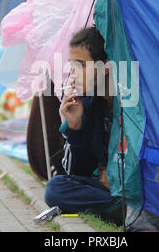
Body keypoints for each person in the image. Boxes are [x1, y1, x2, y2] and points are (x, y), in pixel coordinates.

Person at [44, 26, 121, 222]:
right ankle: (119, 208)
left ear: (105, 68)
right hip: (107, 189)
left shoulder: (129, 105)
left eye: (80, 66)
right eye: (71, 66)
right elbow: (76, 173)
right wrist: (75, 128)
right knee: (55, 188)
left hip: (130, 185)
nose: (73, 74)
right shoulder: (88, 104)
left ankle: (122, 207)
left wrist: (114, 174)